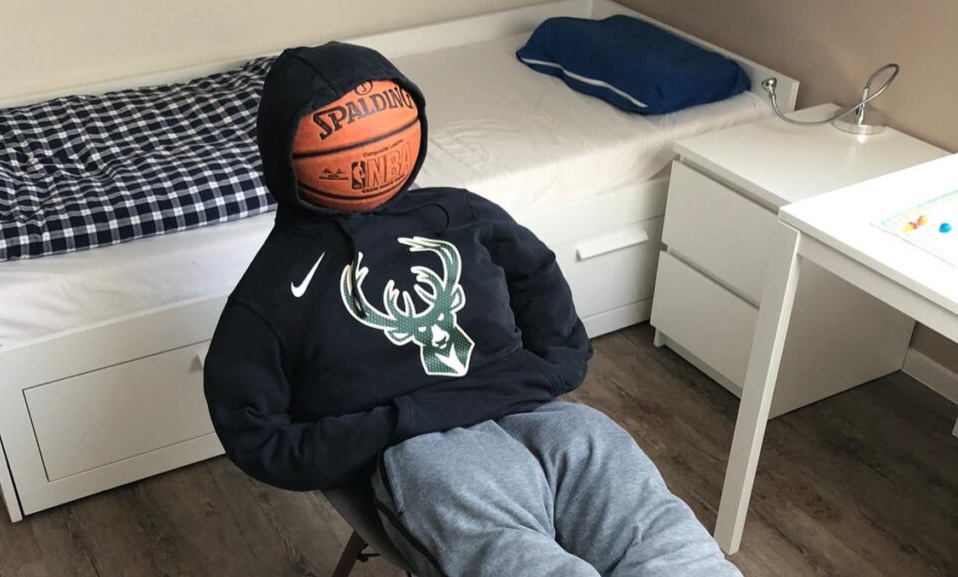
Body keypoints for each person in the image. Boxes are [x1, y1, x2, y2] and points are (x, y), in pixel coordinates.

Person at [204, 42, 741, 577]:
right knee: (518, 560)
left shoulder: (459, 212)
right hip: (418, 448)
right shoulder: (272, 290)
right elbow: (253, 430)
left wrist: (555, 363)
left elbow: (536, 273)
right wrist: (371, 434)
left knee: (655, 527)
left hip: (537, 411)